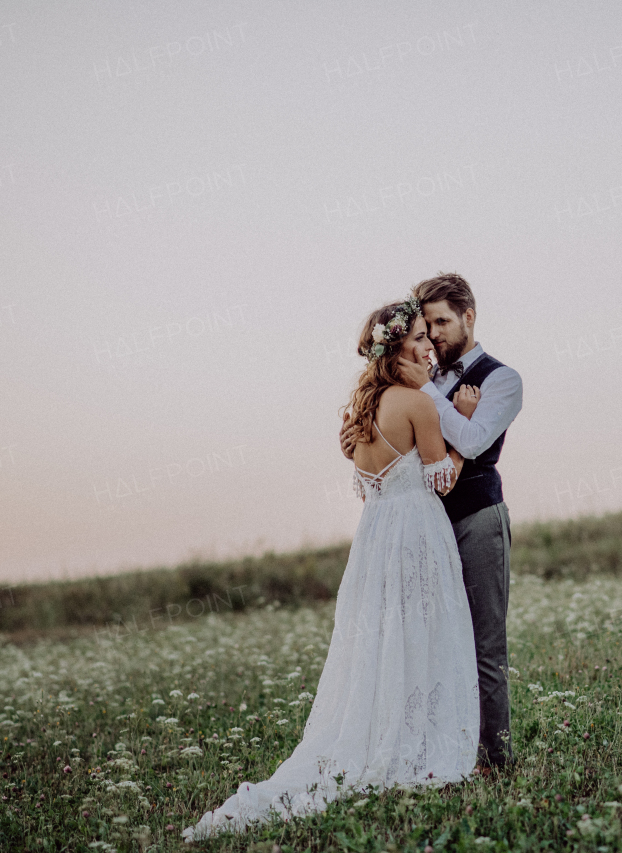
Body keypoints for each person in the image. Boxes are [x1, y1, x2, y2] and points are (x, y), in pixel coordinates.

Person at [183, 297, 484, 842]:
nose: (427, 344)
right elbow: (444, 480)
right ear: (395, 348)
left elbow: (370, 477)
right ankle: (417, 741)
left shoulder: (361, 412)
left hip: (375, 541)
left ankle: (384, 728)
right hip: (416, 533)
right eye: (418, 335)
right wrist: (460, 419)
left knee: (384, 640)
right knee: (422, 632)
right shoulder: (416, 402)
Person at [341, 272, 523, 774]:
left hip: (477, 520)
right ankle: (440, 751)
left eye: (442, 322)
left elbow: (476, 440)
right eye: (427, 326)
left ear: (469, 317)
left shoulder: (502, 379)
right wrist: (432, 395)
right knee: (429, 641)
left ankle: (496, 760)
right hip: (424, 533)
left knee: (485, 644)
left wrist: (436, 398)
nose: (436, 335)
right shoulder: (422, 380)